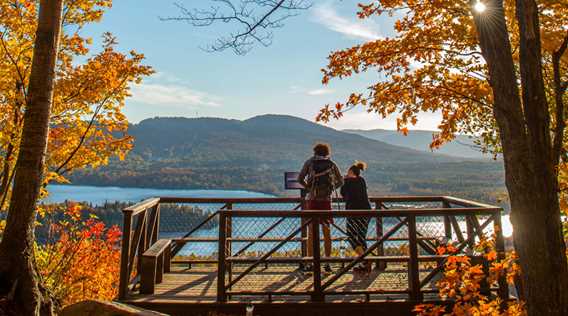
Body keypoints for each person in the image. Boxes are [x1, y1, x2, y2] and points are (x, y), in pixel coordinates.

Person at [298, 143, 343, 273]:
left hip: (312, 200)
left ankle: (311, 262)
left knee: (311, 232)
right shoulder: (331, 164)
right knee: (326, 231)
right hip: (326, 201)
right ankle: (328, 262)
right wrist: (330, 188)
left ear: (315, 151)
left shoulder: (310, 162)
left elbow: (300, 178)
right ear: (327, 152)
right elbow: (341, 181)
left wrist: (309, 188)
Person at [341, 161, 372, 273]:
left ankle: (364, 260)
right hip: (366, 211)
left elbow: (343, 194)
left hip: (353, 212)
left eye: (348, 172)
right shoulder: (362, 180)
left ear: (351, 172)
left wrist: (344, 180)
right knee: (361, 236)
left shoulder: (348, 182)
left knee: (351, 236)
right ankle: (364, 262)